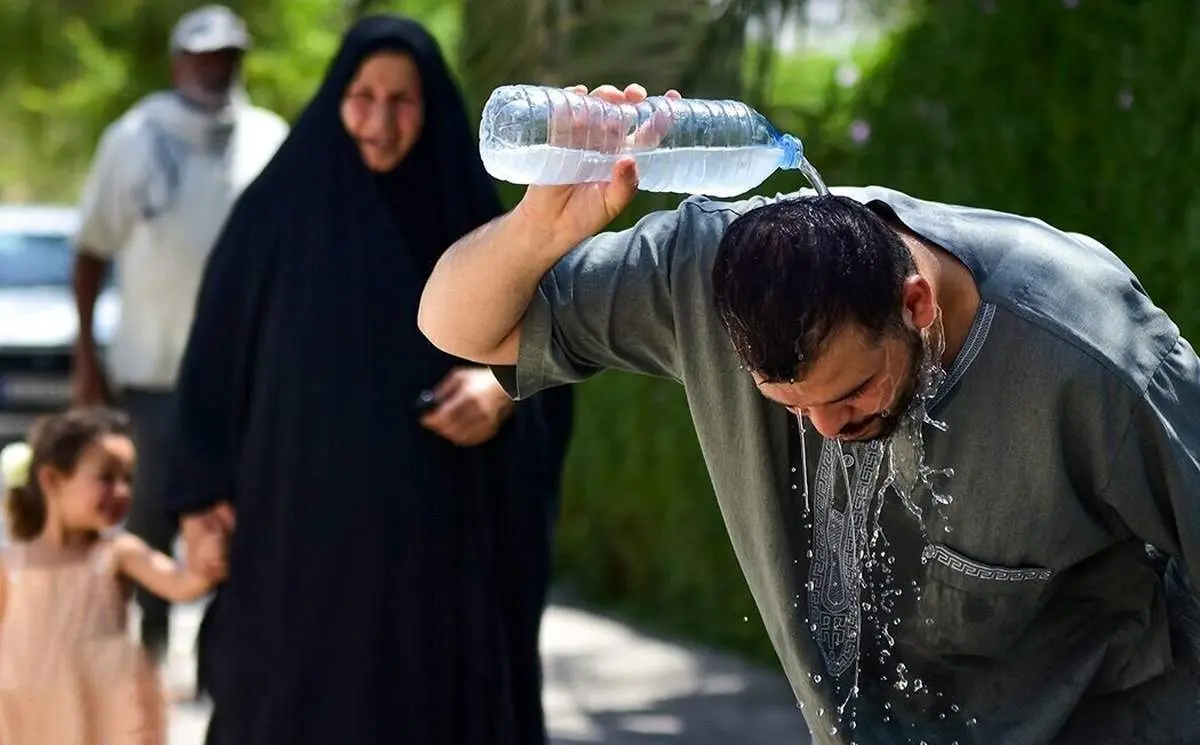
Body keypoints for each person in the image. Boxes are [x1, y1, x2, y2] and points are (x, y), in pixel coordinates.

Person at [418, 82, 1200, 744]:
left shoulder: (1092, 350)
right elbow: (455, 324)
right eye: (786, 402)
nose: (825, 427)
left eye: (852, 390)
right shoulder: (703, 272)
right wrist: (538, 228)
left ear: (916, 304)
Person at [168, 15, 573, 745]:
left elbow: (557, 348)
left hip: (433, 552)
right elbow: (212, 363)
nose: (379, 120)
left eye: (402, 100)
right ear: (336, 98)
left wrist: (501, 388)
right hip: (293, 543)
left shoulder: (470, 215)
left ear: (433, 107)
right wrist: (199, 501)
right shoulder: (274, 216)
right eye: (363, 96)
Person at [70, 4, 288, 662]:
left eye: (227, 56)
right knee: (149, 514)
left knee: (248, 517)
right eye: (202, 55)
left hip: (248, 377)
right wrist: (86, 354)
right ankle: (149, 649)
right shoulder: (130, 138)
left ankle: (235, 660)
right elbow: (90, 252)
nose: (214, 67)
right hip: (154, 371)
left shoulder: (269, 137)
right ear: (177, 62)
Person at [0, 408, 227, 745]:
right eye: (106, 477)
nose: (121, 491)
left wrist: (206, 563)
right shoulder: (13, 561)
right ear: (52, 480)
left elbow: (180, 585)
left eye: (128, 478)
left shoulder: (117, 553)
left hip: (102, 707)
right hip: (29, 707)